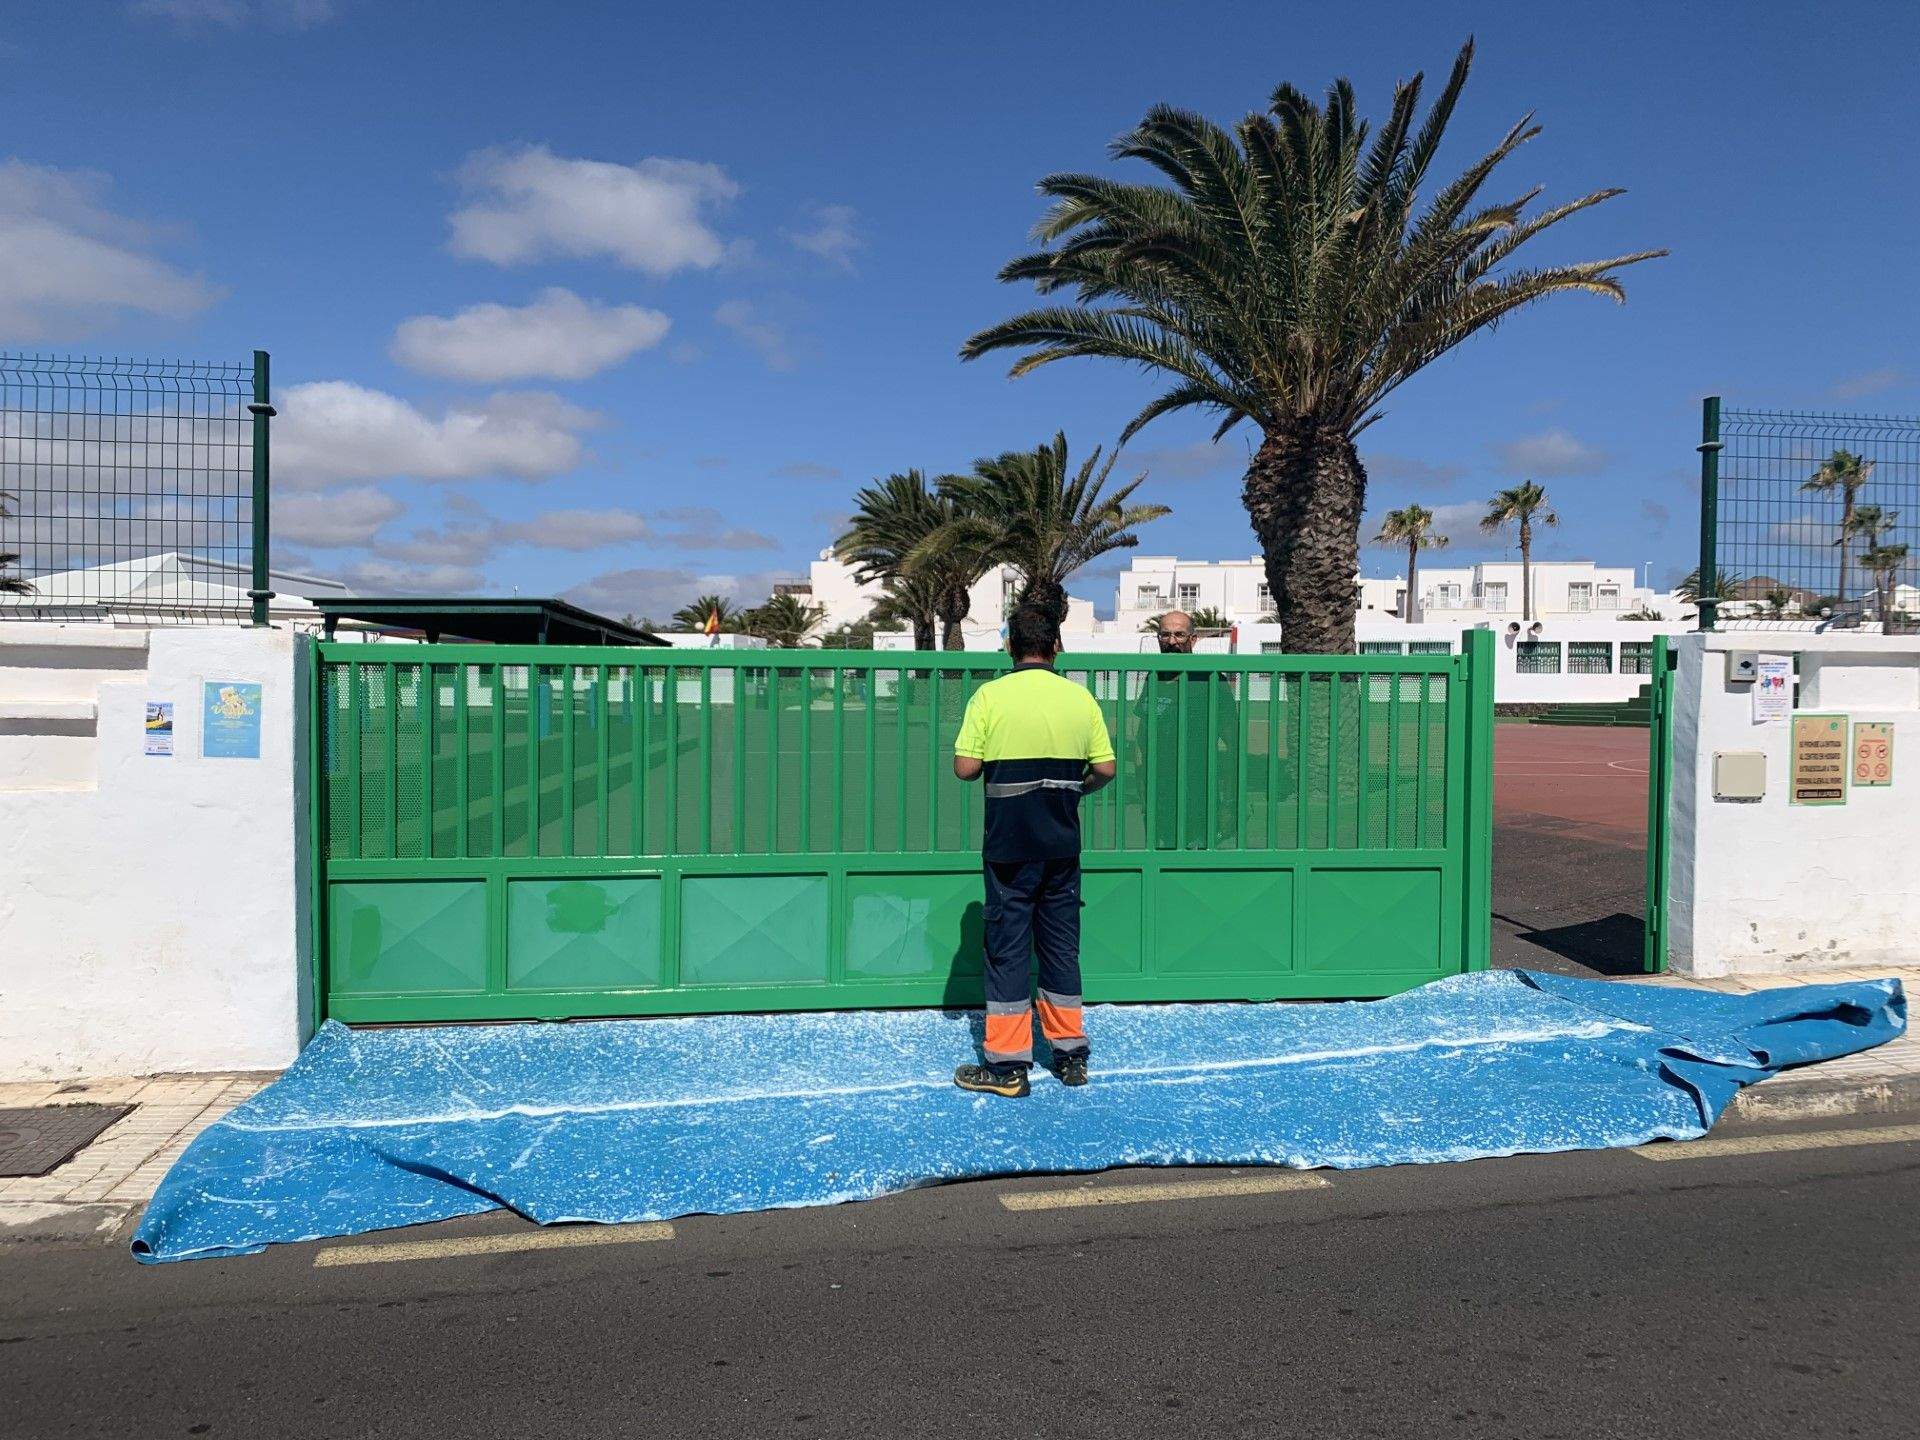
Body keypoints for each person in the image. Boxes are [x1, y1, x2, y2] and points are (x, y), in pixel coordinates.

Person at [950, 605, 1116, 1097]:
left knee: (1008, 952)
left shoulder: (989, 696)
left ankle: (1007, 1068)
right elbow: (1105, 770)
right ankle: (1069, 1058)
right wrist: (1073, 790)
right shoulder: (1079, 699)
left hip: (1008, 848)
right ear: (1056, 647)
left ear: (1009, 647)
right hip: (1062, 847)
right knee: (1061, 948)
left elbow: (964, 767)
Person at [1144, 610, 1239, 849]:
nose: (1171, 641)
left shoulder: (1210, 680)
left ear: (1193, 639)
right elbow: (1142, 739)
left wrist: (1228, 803)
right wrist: (1142, 792)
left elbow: (1233, 744)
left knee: (1195, 867)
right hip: (1159, 796)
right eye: (1165, 635)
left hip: (1200, 795)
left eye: (1179, 635)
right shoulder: (1152, 677)